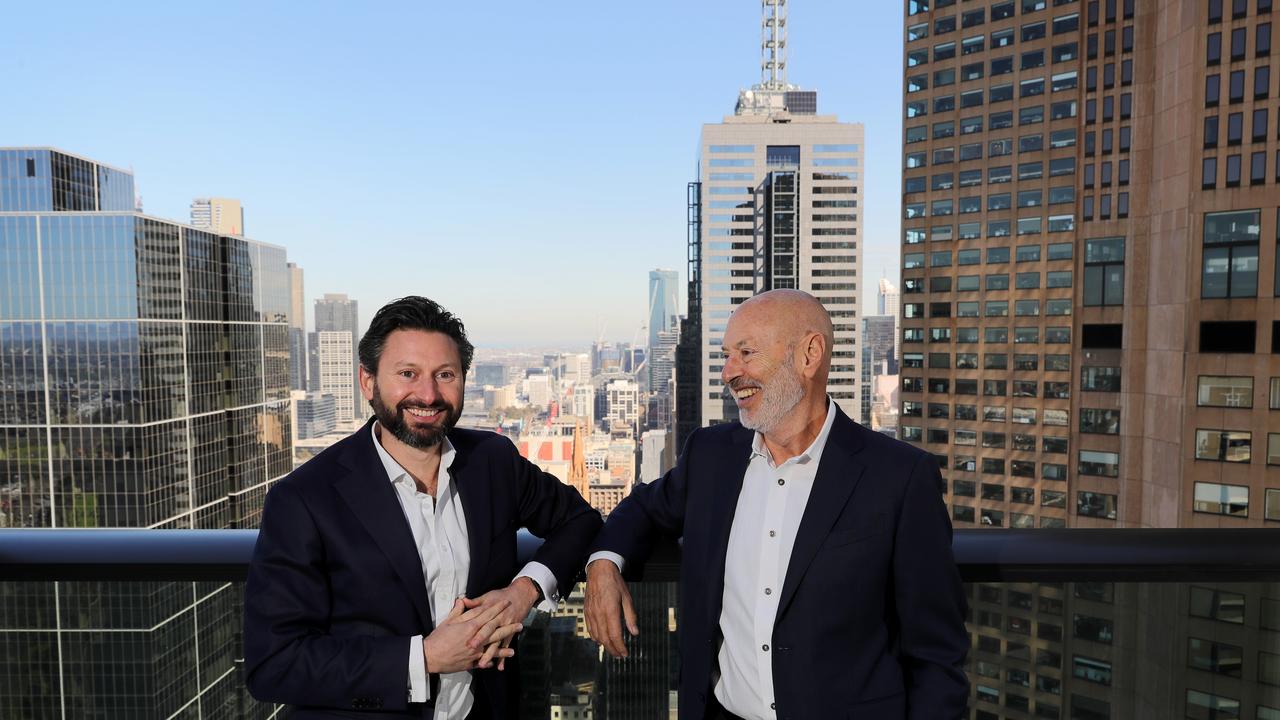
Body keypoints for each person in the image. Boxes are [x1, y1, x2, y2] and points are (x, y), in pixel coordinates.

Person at [584, 289, 968, 720]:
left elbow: (936, 654)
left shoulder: (899, 476)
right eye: (727, 355)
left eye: (746, 353)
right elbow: (642, 509)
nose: (729, 372)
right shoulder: (711, 456)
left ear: (810, 354)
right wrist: (603, 565)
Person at [245, 296, 602, 719]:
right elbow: (274, 664)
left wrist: (524, 592)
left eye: (445, 375)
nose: (428, 394)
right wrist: (424, 658)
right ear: (367, 382)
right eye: (407, 374)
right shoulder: (305, 498)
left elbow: (579, 519)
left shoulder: (492, 461)